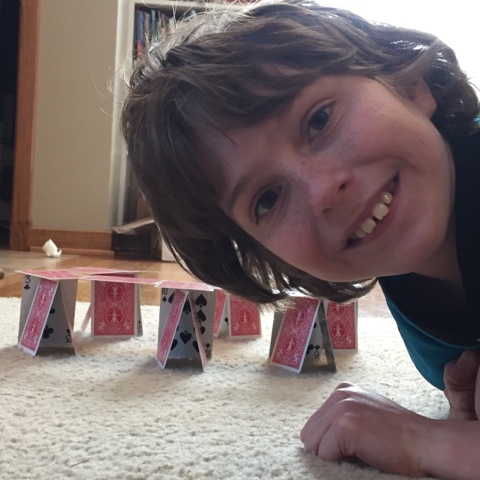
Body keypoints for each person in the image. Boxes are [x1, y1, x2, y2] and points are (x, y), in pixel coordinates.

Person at [121, 0, 480, 477]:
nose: (323, 190)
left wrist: (430, 443)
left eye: (319, 120)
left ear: (409, 83)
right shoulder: (417, 298)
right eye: (267, 199)